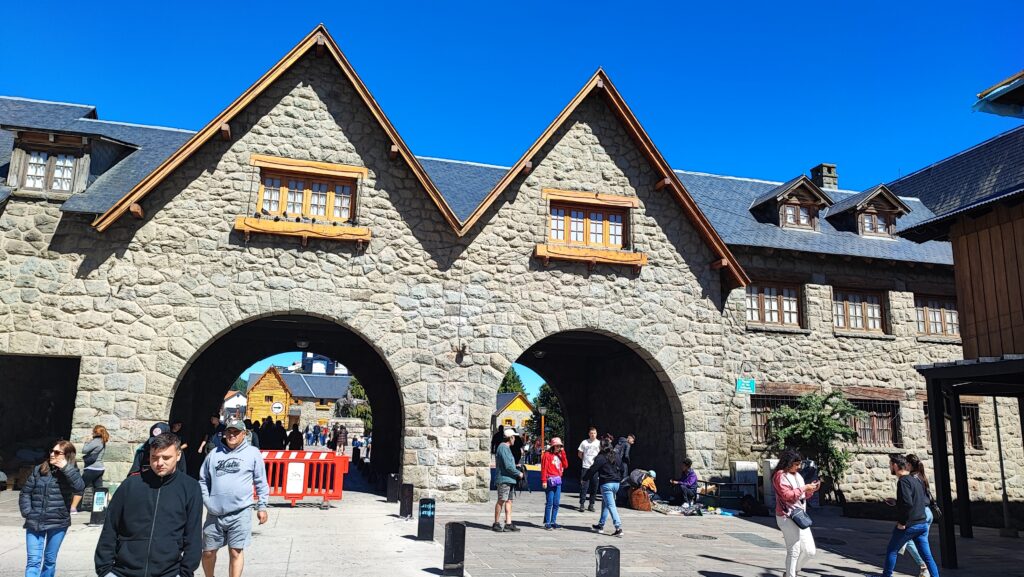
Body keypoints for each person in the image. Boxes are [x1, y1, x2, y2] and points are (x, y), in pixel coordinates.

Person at [95, 433, 202, 577]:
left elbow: (193, 535)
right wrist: (105, 570)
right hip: (123, 571)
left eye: (166, 458)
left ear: (178, 455)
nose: (159, 463)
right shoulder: (130, 485)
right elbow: (110, 527)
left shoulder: (190, 488)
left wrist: (185, 572)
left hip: (169, 572)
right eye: (154, 457)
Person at [200, 417, 269, 577]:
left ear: (244, 434)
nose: (232, 435)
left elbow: (261, 481)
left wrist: (262, 506)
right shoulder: (213, 454)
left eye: (236, 432)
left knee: (235, 551)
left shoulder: (253, 453)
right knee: (208, 552)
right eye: (229, 431)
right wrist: (207, 501)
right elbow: (203, 480)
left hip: (240, 511)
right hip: (215, 513)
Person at [20, 440, 84, 577]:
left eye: (57, 452)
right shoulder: (39, 469)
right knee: (33, 561)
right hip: (35, 521)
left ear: (67, 455)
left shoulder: (71, 471)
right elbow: (25, 492)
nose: (52, 454)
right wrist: (27, 512)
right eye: (51, 451)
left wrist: (66, 468)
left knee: (49, 560)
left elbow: (79, 488)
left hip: (58, 522)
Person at [877, 454, 940, 577]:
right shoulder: (915, 479)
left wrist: (902, 522)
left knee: (892, 551)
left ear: (895, 466)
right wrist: (897, 502)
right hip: (922, 524)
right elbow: (916, 501)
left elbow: (908, 504)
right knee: (927, 557)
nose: (889, 468)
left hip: (910, 525)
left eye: (890, 465)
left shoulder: (903, 481)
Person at [773, 449, 820, 577]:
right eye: (796, 464)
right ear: (788, 463)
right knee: (794, 550)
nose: (798, 467)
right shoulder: (780, 475)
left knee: (810, 551)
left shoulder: (797, 476)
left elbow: (801, 496)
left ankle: (794, 571)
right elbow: (787, 496)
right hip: (786, 516)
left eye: (800, 464)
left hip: (799, 516)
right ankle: (790, 574)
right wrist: (805, 488)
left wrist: (811, 490)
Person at [897, 454, 935, 577]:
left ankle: (924, 566)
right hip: (927, 512)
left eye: (905, 464)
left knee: (907, 541)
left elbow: (910, 500)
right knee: (923, 545)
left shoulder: (910, 478)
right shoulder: (921, 476)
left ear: (909, 465)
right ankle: (927, 570)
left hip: (919, 513)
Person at [584, 439, 624, 536]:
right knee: (605, 504)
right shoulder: (616, 455)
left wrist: (584, 479)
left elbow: (592, 470)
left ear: (601, 447)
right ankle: (600, 525)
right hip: (616, 483)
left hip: (607, 484)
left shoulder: (601, 457)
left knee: (611, 505)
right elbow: (622, 468)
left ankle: (618, 528)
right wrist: (619, 478)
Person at [71, 425, 108, 513]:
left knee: (80, 487)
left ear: (95, 432)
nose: (92, 432)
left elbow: (84, 450)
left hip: (92, 468)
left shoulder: (96, 441)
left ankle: (73, 508)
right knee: (98, 488)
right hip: (100, 468)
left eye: (93, 431)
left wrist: (87, 441)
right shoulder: (102, 441)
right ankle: (103, 507)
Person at [492, 427, 524, 532]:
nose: (515, 439)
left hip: (509, 479)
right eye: (514, 437)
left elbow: (509, 464)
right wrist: (518, 473)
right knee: (501, 500)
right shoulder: (503, 448)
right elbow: (507, 466)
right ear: (510, 438)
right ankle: (496, 523)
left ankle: (508, 523)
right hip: (504, 479)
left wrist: (516, 466)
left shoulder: (506, 448)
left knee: (509, 501)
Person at [540, 437, 568, 530]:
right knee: (550, 502)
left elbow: (566, 465)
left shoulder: (560, 454)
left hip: (558, 480)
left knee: (556, 502)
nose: (558, 448)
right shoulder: (547, 455)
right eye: (556, 446)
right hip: (550, 480)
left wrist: (563, 453)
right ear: (552, 446)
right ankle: (547, 522)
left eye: (560, 446)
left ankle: (553, 521)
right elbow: (543, 468)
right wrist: (544, 481)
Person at [577, 427, 600, 512]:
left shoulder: (599, 443)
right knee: (584, 486)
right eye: (591, 433)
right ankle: (582, 504)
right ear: (589, 434)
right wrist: (584, 460)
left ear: (596, 434)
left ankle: (591, 504)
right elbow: (580, 453)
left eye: (594, 433)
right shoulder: (584, 442)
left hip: (595, 468)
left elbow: (601, 454)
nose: (593, 435)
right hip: (586, 467)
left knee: (594, 486)